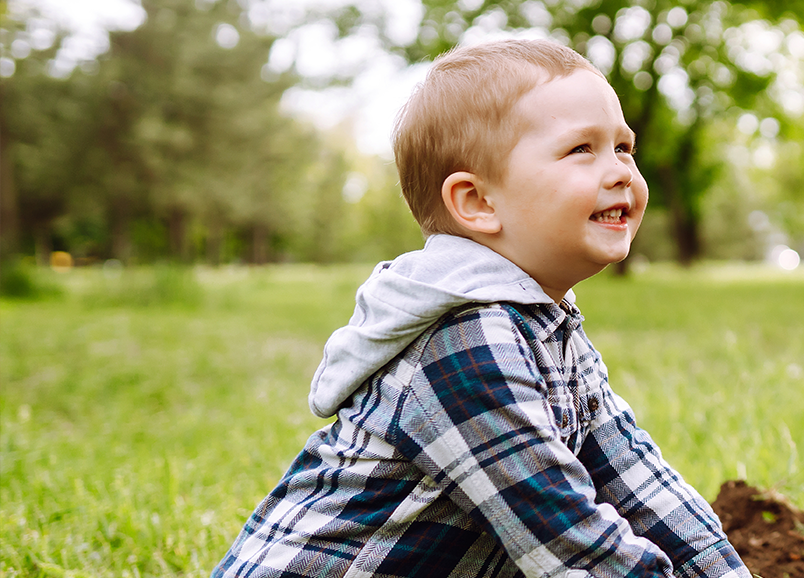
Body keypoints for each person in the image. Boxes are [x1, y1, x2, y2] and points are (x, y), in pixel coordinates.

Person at [213, 40, 748, 578]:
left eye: (623, 147)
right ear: (477, 202)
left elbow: (639, 483)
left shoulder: (547, 324)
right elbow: (567, 541)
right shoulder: (464, 340)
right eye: (581, 149)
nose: (620, 172)